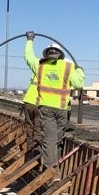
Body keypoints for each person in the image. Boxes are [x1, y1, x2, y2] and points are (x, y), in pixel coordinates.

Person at [23, 32, 85, 174]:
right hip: (62, 108)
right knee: (56, 139)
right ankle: (53, 169)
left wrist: (29, 40)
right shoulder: (68, 66)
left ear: (46, 54)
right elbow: (78, 84)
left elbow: (28, 57)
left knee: (49, 139)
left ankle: (51, 169)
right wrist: (80, 71)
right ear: (60, 54)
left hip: (46, 108)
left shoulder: (39, 65)